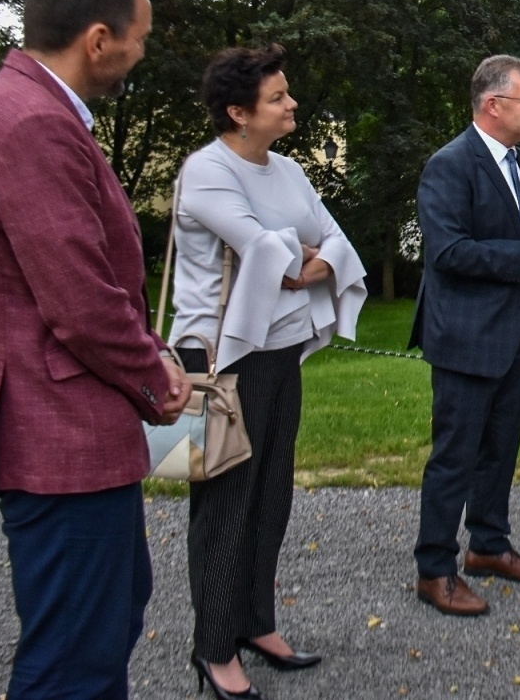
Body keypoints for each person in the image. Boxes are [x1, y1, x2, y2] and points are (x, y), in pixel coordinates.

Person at [0, 0, 191, 699]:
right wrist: (155, 375)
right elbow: (80, 299)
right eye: (140, 36)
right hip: (57, 433)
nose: (141, 53)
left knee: (103, 621)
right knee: (73, 660)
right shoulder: (33, 126)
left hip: (57, 427)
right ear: (98, 40)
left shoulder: (22, 108)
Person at [171, 45, 367, 698]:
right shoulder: (206, 172)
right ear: (238, 111)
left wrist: (304, 256)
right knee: (225, 505)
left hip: (281, 353)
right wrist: (301, 258)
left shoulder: (284, 171)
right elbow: (270, 257)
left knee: (272, 495)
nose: (292, 104)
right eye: (278, 97)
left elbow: (333, 239)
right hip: (223, 365)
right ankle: (214, 647)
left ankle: (256, 622)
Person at [411, 55, 520, 616]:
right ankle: (434, 569)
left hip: (515, 333)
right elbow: (448, 252)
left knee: (500, 451)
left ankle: (488, 546)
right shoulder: (449, 166)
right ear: (492, 104)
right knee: (455, 456)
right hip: (465, 337)